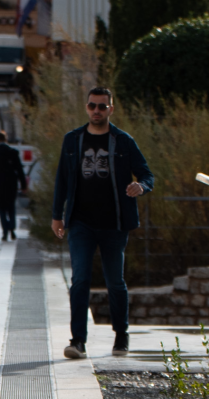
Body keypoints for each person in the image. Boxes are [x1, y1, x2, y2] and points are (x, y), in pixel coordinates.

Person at [51, 87, 154, 360]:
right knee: (80, 279)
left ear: (111, 109)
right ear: (86, 108)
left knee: (115, 282)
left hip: (114, 224)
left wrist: (140, 186)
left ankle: (121, 336)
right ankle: (78, 342)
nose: (97, 111)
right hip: (81, 222)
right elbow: (62, 180)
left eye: (102, 106)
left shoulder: (123, 141)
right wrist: (56, 215)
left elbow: (147, 174)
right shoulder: (73, 140)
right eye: (92, 106)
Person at [0, 130, 27, 242]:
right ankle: (12, 228)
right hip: (11, 184)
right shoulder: (13, 152)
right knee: (11, 208)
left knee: (1, 209)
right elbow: (19, 170)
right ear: (6, 138)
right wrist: (23, 184)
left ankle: (5, 230)